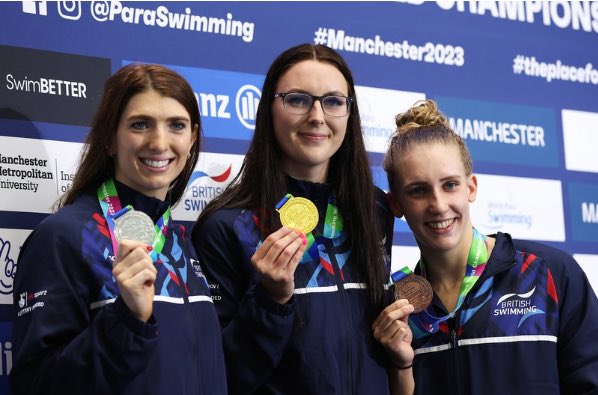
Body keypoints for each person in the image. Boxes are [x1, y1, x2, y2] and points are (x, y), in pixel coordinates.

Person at [191, 43, 414, 395]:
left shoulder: (374, 209)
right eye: (297, 99)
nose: (317, 116)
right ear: (269, 110)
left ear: (349, 113)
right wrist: (270, 301)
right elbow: (218, 375)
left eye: (333, 101)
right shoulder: (228, 226)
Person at [10, 64, 227, 395]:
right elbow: (36, 385)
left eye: (176, 126)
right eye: (140, 125)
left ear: (193, 137)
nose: (159, 142)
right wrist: (126, 320)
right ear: (110, 138)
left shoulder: (177, 238)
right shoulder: (64, 237)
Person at [382, 99, 598, 394]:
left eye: (449, 185)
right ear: (396, 203)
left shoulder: (549, 273)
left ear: (470, 187)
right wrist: (400, 367)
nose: (438, 205)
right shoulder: (399, 312)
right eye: (418, 191)